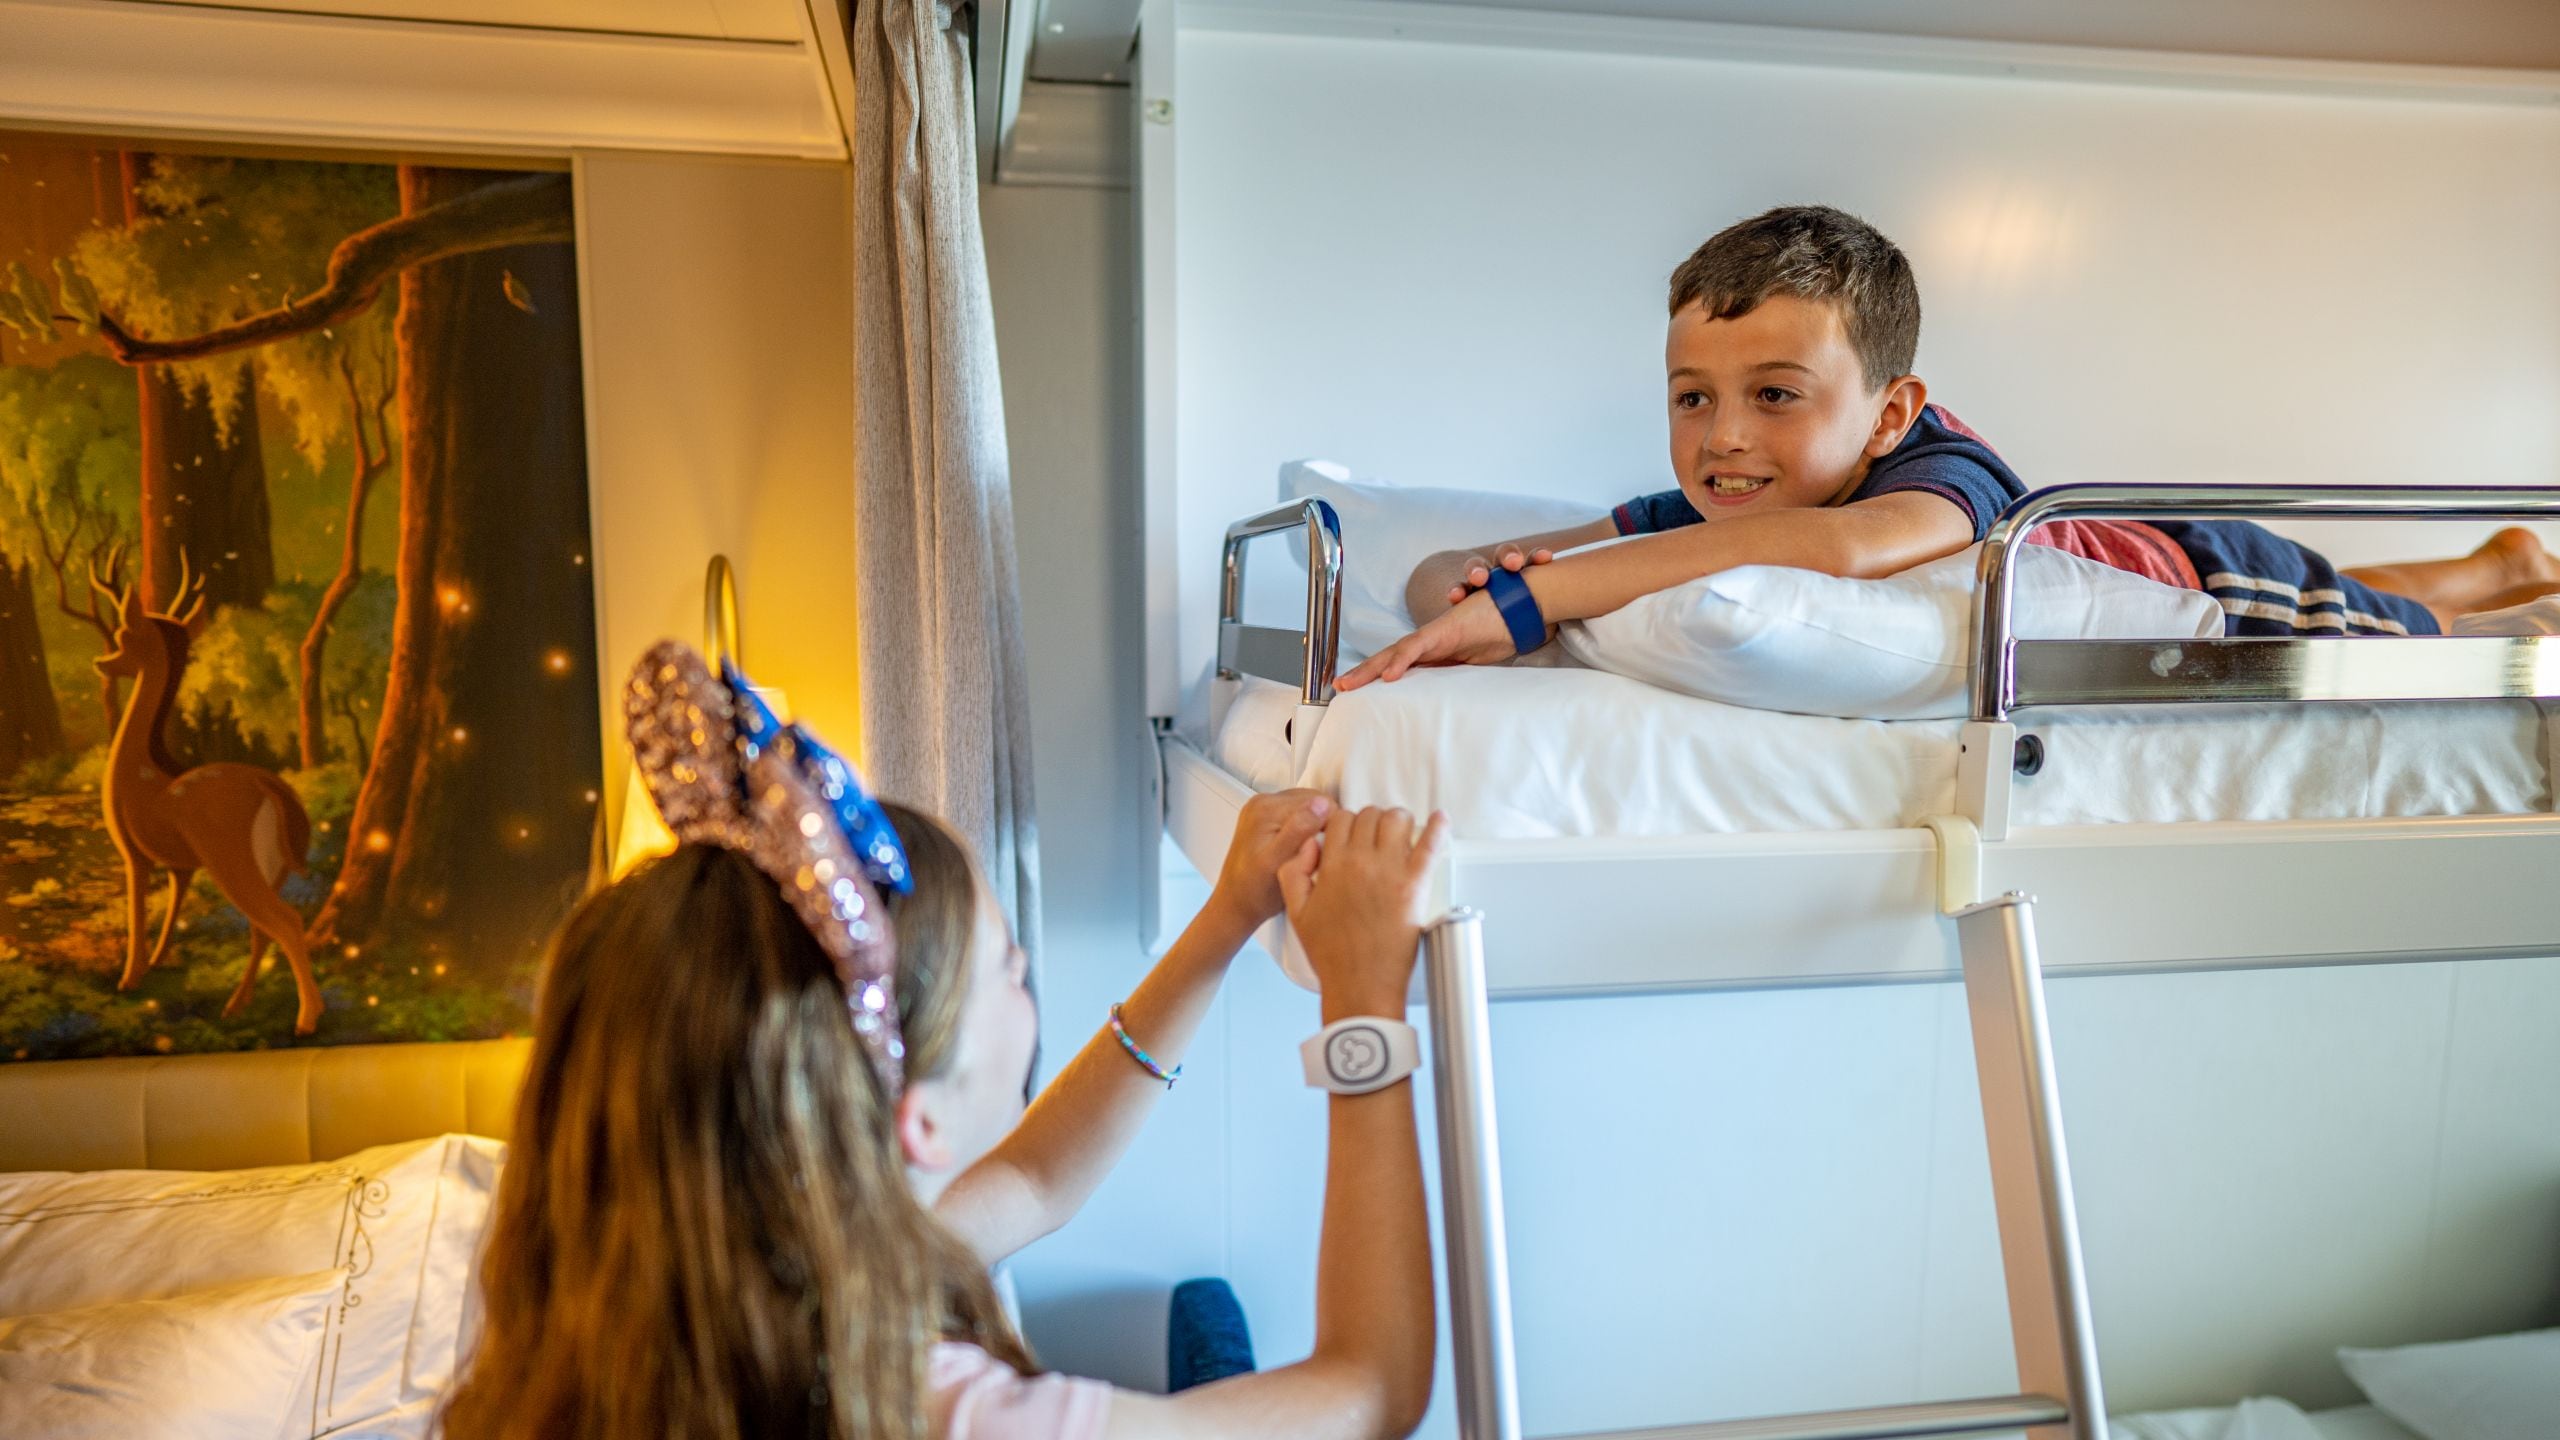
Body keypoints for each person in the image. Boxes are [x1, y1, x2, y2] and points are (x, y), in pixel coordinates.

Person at [440, 641, 1449, 1440]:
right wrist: (1364, 1002)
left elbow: (1042, 1180)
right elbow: (1370, 1388)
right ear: (914, 1121)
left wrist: (1225, 919)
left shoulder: (678, 1312)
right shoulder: (943, 1412)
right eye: (1009, 970)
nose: (1028, 985)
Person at [1341, 205, 2560, 690]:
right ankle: (2499, 557)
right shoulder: (1708, 504)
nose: (1722, 442)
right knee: (2385, 589)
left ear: (1887, 410)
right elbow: (1451, 569)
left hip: (2210, 579)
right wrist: (1483, 568)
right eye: (1691, 398)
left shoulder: (1940, 482)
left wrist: (1531, 604)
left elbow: (1839, 545)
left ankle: (2501, 606)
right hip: (2188, 547)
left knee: (2393, 636)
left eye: (1773, 395)